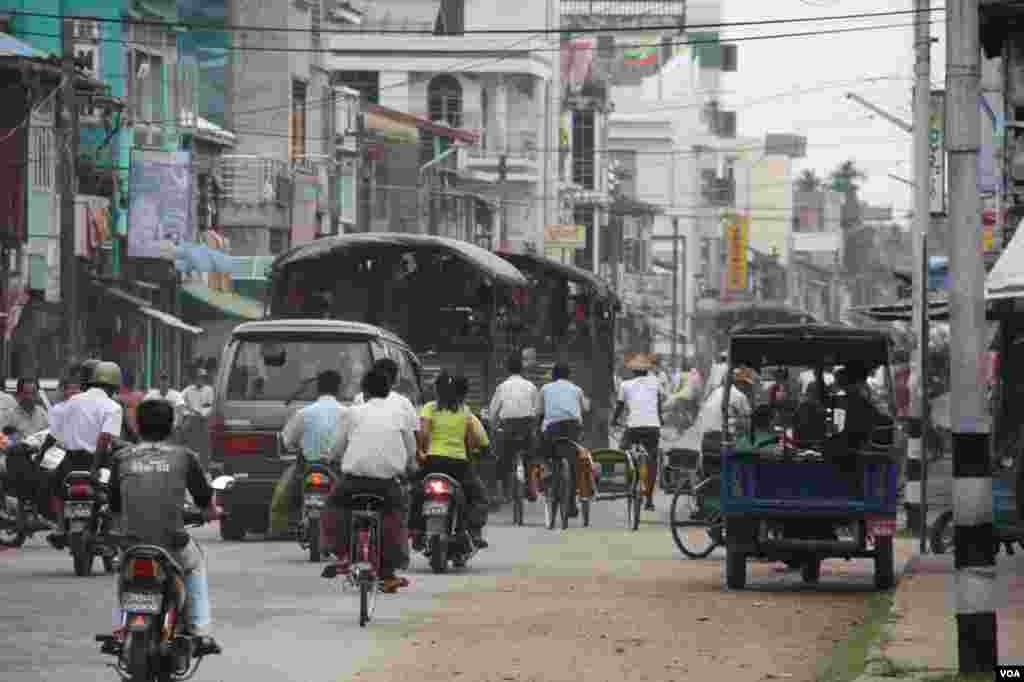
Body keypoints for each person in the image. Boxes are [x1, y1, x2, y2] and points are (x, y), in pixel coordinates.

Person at [106, 398, 221, 656]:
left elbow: (114, 505)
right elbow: (204, 500)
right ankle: (201, 632)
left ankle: (118, 628)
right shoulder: (184, 456)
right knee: (195, 564)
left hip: (133, 544)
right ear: (172, 426)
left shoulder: (122, 457)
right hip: (173, 543)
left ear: (137, 425)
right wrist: (211, 512)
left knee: (123, 572)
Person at [326, 367, 417, 593]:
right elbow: (411, 450)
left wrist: (332, 459)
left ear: (364, 391)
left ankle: (341, 553)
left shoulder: (352, 413)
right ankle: (389, 574)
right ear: (388, 391)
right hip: (386, 484)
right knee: (396, 513)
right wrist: (409, 465)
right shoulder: (400, 414)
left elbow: (336, 448)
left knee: (334, 504)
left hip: (353, 482)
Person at [45, 360, 125, 550]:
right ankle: (112, 528)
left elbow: (54, 435)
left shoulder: (72, 402)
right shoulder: (113, 407)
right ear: (114, 385)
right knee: (118, 487)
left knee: (56, 485)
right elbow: (105, 439)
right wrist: (95, 468)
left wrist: (42, 455)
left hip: (70, 461)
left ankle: (60, 526)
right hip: (99, 461)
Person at [411, 372, 492, 548]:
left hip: (433, 462)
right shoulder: (465, 410)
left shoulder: (429, 408)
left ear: (436, 391)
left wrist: (422, 451)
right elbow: (471, 440)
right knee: (478, 497)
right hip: (459, 465)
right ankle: (474, 531)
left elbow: (423, 434)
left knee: (416, 491)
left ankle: (416, 530)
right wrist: (468, 453)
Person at [270, 370, 349, 537]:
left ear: (318, 389)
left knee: (283, 492)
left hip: (307, 467)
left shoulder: (303, 413)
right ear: (339, 389)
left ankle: (279, 527)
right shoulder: (347, 413)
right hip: (338, 468)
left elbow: (286, 441)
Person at [612, 353, 666, 511]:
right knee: (652, 460)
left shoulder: (625, 385)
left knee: (624, 450)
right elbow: (657, 404)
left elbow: (620, 407)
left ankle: (630, 482)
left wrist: (614, 421)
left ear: (633, 371)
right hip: (652, 427)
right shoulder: (655, 382)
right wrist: (659, 419)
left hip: (634, 427)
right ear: (647, 371)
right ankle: (649, 499)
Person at [535, 362, 590, 517]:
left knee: (542, 451)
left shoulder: (545, 389)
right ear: (569, 375)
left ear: (553, 375)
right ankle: (571, 503)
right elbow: (585, 408)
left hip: (552, 430)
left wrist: (539, 430)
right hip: (573, 429)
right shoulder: (577, 389)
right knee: (573, 464)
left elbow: (539, 412)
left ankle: (547, 471)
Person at [488, 352, 538, 502]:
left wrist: (493, 426)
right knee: (530, 457)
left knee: (502, 458)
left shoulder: (502, 387)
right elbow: (537, 410)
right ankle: (530, 486)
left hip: (508, 428)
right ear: (522, 369)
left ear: (507, 369)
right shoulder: (531, 386)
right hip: (527, 426)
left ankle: (502, 492)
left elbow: (493, 413)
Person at [694, 367, 754, 473]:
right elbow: (749, 422)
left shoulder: (714, 393)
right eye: (745, 384)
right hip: (723, 442)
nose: (747, 387)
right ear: (739, 383)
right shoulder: (739, 396)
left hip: (706, 441)